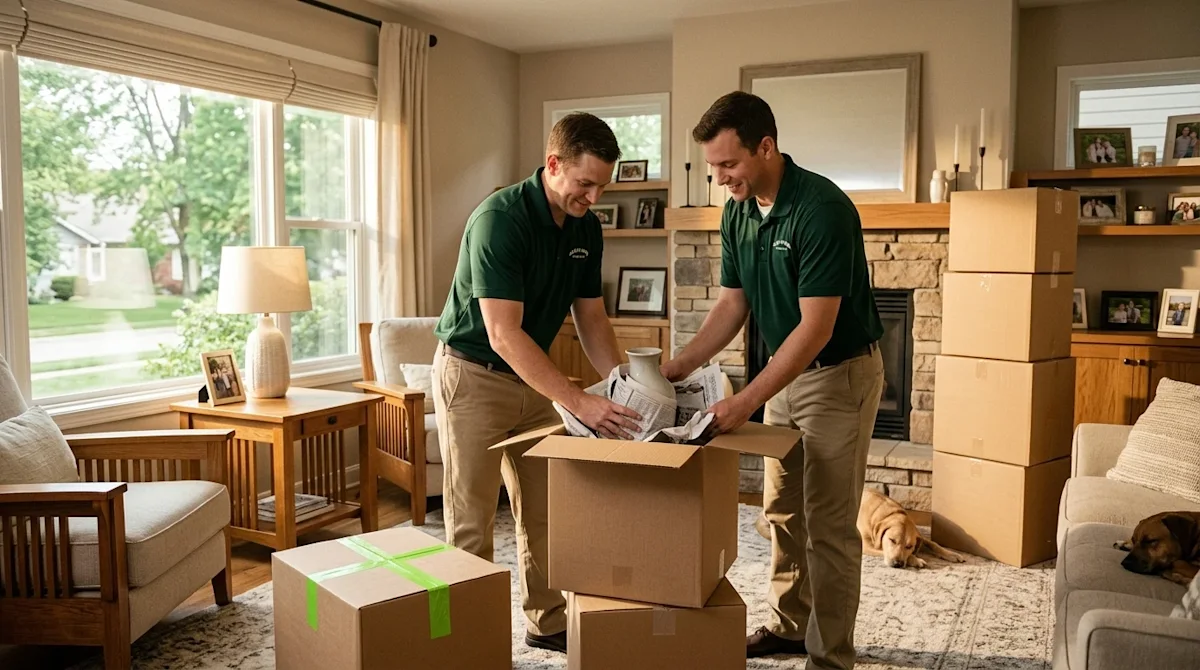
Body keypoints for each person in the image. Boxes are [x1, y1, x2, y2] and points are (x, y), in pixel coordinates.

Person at [661, 91, 884, 669]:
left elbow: (814, 328)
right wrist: (677, 367)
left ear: (766, 147)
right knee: (783, 512)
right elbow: (732, 304)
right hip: (784, 377)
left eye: (728, 165)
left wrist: (745, 401)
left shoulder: (821, 209)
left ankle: (831, 657)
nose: (719, 178)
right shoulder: (737, 210)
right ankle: (789, 627)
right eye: (712, 167)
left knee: (829, 527)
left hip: (838, 376)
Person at [431, 112, 642, 654]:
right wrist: (576, 400)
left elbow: (591, 318)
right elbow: (503, 334)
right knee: (473, 518)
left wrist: (623, 384)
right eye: (584, 183)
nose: (593, 197)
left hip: (533, 378)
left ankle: (545, 620)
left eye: (602, 185)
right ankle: (467, 641)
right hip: (474, 375)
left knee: (545, 512)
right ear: (553, 166)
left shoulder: (586, 228)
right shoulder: (498, 220)